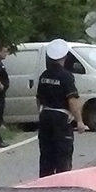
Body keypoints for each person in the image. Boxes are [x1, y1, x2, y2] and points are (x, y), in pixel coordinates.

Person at [36, 39, 82, 176]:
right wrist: (79, 120)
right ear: (64, 56)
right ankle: (61, 186)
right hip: (61, 119)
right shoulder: (66, 76)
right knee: (63, 155)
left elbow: (38, 99)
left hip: (45, 117)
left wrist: (42, 112)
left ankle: (44, 186)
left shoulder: (44, 75)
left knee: (46, 155)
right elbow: (72, 100)